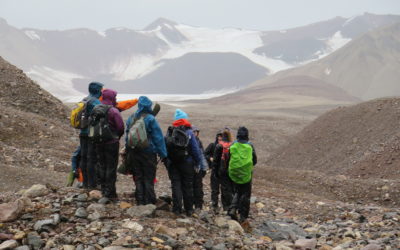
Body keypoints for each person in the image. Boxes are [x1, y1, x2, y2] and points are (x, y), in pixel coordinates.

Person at [125, 96, 167, 205]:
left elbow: (127, 136)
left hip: (134, 152)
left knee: (138, 177)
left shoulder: (131, 118)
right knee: (149, 177)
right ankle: (150, 202)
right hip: (148, 153)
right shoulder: (150, 119)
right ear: (149, 106)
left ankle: (140, 201)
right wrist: (163, 154)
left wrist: (128, 150)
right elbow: (158, 138)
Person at [166, 109, 204, 216]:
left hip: (173, 163)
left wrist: (167, 161)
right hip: (187, 163)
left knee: (176, 185)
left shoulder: (170, 131)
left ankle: (177, 209)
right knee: (187, 186)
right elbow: (195, 150)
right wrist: (197, 163)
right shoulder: (189, 132)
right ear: (185, 119)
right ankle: (188, 210)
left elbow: (166, 146)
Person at [95, 89, 125, 200]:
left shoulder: (96, 109)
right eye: (115, 97)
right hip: (111, 143)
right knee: (111, 167)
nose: (116, 99)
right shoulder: (114, 111)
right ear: (111, 97)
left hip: (98, 142)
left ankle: (103, 189)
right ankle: (111, 193)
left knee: (101, 165)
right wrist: (117, 137)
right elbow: (121, 127)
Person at [227, 127, 257, 223]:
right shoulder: (250, 146)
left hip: (234, 173)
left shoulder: (233, 145)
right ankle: (243, 216)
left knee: (237, 191)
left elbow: (228, 158)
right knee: (246, 194)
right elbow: (254, 160)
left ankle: (233, 208)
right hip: (246, 174)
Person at [79, 81, 103, 189]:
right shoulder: (95, 102)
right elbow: (103, 115)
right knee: (91, 159)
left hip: (82, 132)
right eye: (101, 89)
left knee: (83, 158)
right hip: (91, 134)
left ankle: (85, 183)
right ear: (97, 90)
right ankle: (92, 184)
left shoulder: (84, 99)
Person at [212, 128, 234, 212]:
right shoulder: (232, 145)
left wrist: (215, 172)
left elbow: (215, 161)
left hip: (222, 171)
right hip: (231, 170)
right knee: (230, 188)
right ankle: (229, 206)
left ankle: (227, 207)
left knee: (224, 189)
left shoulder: (219, 145)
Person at [204, 131, 223, 211]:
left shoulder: (226, 147)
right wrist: (210, 158)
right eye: (219, 136)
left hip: (223, 171)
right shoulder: (212, 145)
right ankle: (214, 204)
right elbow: (205, 154)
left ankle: (224, 205)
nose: (220, 138)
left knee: (225, 189)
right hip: (215, 170)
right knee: (214, 188)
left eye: (221, 137)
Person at [192, 126, 208, 212]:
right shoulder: (191, 141)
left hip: (198, 168)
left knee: (198, 186)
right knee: (193, 186)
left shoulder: (198, 142)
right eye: (194, 132)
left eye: (196, 132)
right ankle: (194, 203)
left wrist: (204, 168)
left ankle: (198, 204)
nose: (195, 133)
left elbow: (202, 155)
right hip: (192, 167)